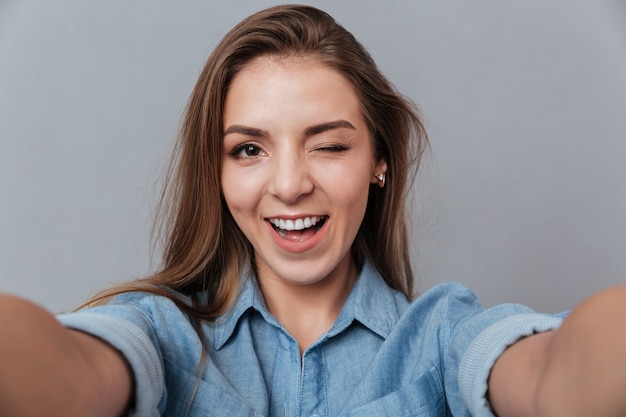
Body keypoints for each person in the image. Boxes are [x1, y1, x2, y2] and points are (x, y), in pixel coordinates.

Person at [1, 4, 625, 417]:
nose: (290, 184)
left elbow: (552, 373)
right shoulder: (159, 333)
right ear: (216, 173)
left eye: (327, 145)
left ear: (379, 159)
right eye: (248, 150)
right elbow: (67, 368)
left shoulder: (439, 336)